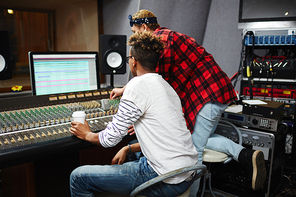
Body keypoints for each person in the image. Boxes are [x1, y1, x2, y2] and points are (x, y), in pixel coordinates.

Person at [110, 9, 266, 195]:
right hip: (213, 92)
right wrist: (125, 89)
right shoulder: (166, 35)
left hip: (208, 93)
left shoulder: (161, 43)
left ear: (144, 27)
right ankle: (245, 155)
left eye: (135, 32)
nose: (135, 37)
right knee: (191, 140)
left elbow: (153, 83)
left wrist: (140, 119)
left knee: (192, 150)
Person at [69, 31, 199, 197]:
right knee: (132, 148)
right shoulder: (166, 86)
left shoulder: (136, 85)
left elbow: (109, 139)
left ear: (134, 62)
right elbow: (166, 138)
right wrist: (127, 148)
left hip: (167, 178)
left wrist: (87, 134)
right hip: (187, 171)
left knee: (78, 177)